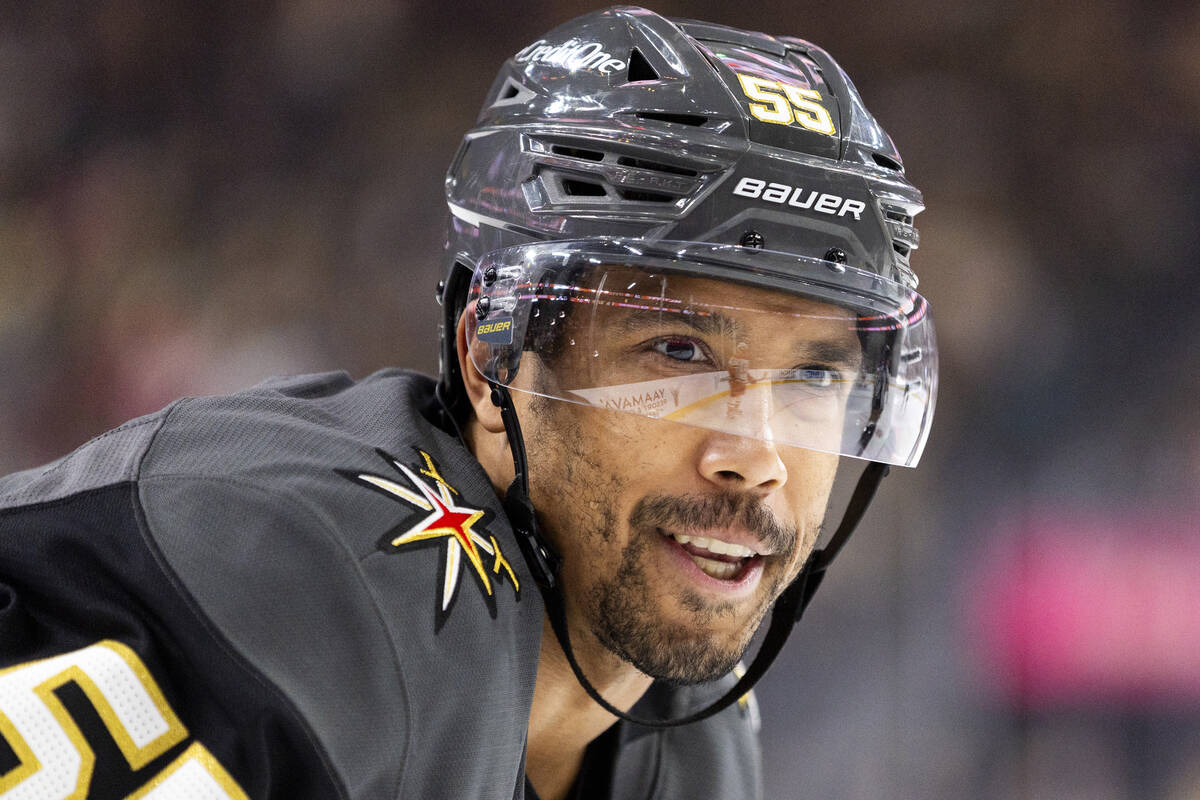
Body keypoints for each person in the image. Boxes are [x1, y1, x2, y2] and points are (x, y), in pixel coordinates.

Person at [0, 7, 937, 800]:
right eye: (679, 352)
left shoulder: (693, 721)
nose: (757, 456)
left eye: (814, 376)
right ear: (494, 365)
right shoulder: (305, 585)